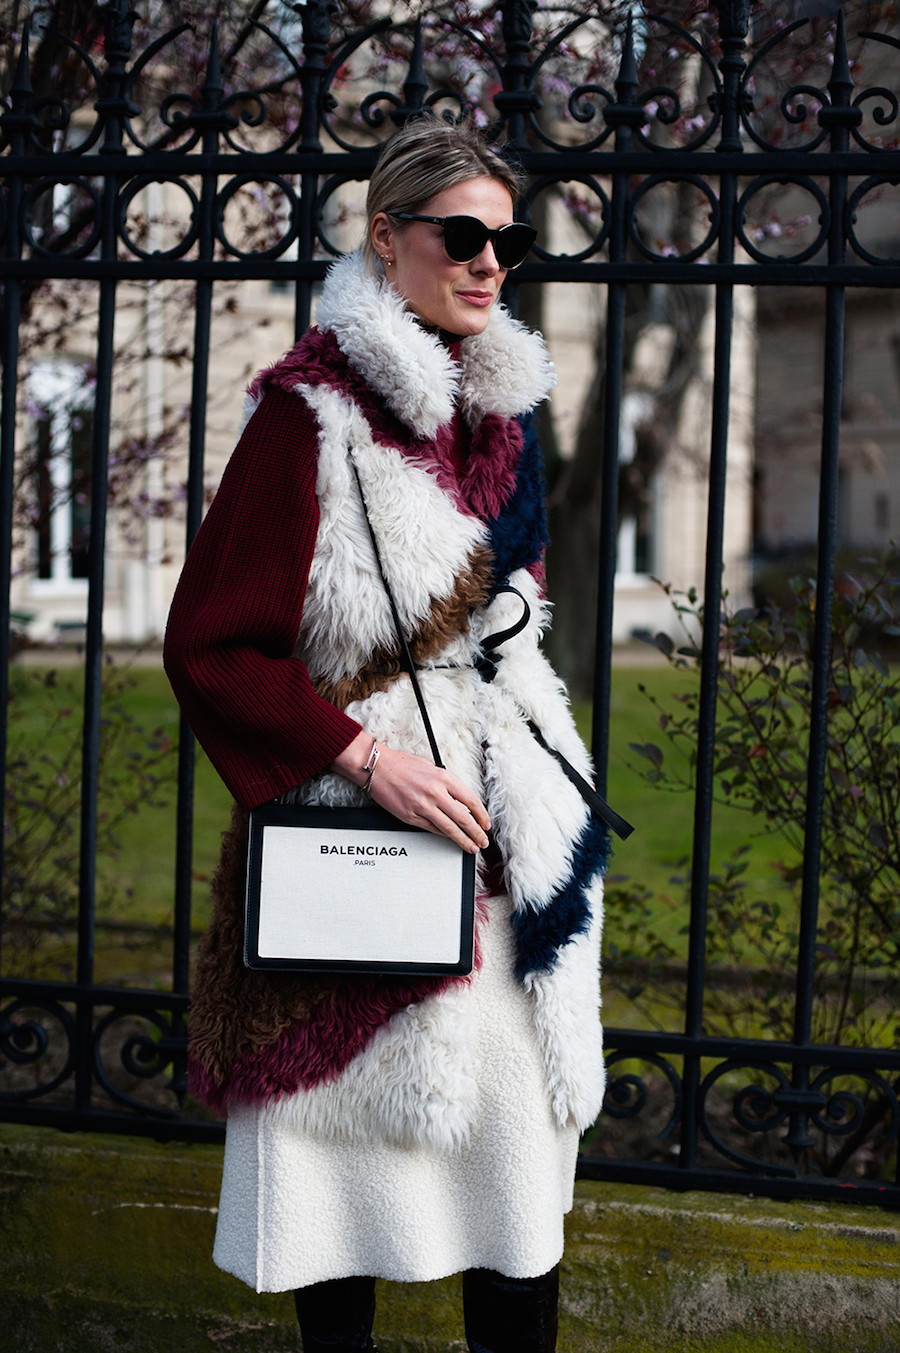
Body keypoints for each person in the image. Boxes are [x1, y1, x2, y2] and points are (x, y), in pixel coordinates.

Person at [164, 117, 608, 1353]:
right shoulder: (307, 421)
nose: (488, 262)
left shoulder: (502, 416)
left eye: (507, 241)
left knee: (517, 1185)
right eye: (459, 236)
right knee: (336, 1192)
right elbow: (210, 646)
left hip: (504, 840)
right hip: (350, 844)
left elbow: (504, 629)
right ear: (385, 239)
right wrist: (364, 760)